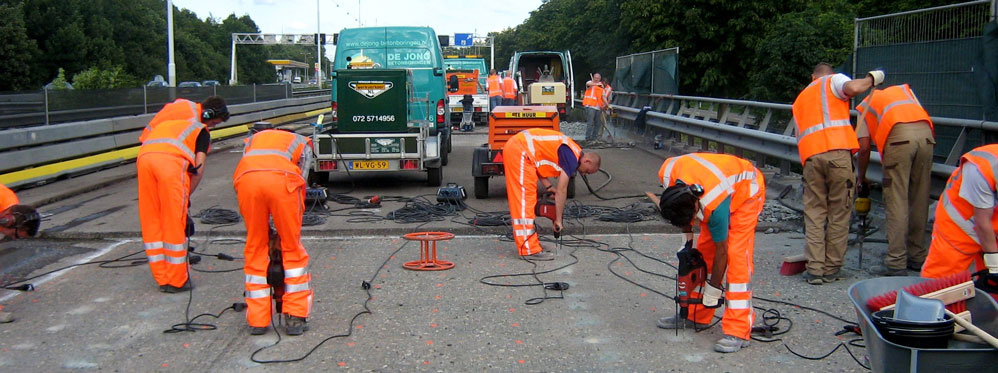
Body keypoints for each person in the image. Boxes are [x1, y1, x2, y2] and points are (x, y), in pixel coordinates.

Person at [655, 153, 765, 353]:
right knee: (702, 255)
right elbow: (682, 214)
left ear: (696, 205)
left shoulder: (715, 205)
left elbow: (722, 251)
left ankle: (739, 331)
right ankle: (695, 315)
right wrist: (687, 244)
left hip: (747, 192)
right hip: (717, 187)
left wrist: (713, 289)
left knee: (736, 256)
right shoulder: (668, 174)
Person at [791, 63, 883, 285]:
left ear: (812, 76)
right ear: (828, 74)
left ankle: (814, 270)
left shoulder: (800, 99)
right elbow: (854, 88)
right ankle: (831, 268)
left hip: (812, 158)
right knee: (838, 213)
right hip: (838, 156)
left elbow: (798, 134)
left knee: (814, 214)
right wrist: (872, 77)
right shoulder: (833, 81)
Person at [233, 124, 314, 336]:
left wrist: (268, 229)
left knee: (255, 246)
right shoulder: (300, 142)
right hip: (284, 182)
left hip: (247, 182)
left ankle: (258, 320)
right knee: (291, 248)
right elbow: (300, 181)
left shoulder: (253, 141)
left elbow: (250, 172)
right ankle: (295, 316)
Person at [137, 109, 226, 293]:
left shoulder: (168, 125)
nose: (212, 126)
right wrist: (185, 198)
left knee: (151, 218)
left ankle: (162, 278)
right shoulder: (200, 130)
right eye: (214, 123)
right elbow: (199, 167)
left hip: (144, 160)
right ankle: (177, 280)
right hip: (169, 164)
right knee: (174, 220)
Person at [855, 84, 935, 276]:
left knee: (897, 199)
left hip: (899, 140)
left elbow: (864, 147)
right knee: (920, 198)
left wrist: (861, 177)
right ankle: (917, 256)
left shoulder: (865, 105)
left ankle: (896, 262)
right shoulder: (906, 92)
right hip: (927, 138)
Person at [502, 128, 601, 260]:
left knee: (528, 200)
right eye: (587, 171)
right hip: (519, 150)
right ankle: (528, 250)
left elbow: (537, 162)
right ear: (587, 161)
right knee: (524, 203)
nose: (584, 174)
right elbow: (562, 190)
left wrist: (548, 187)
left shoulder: (572, 150)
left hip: (521, 151)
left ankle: (531, 243)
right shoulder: (572, 158)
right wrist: (558, 220)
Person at [921, 145, 998, 288]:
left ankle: (989, 306)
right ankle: (929, 307)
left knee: (992, 286)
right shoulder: (982, 168)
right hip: (960, 223)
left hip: (992, 222)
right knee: (940, 282)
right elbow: (982, 222)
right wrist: (995, 265)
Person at [0, 185, 41, 324]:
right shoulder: (7, 215)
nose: (14, 238)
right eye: (16, 235)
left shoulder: (10, 204)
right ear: (7, 221)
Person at [139, 96, 230, 143]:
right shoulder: (193, 123)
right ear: (208, 114)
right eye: (214, 122)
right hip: (160, 149)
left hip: (146, 145)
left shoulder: (185, 104)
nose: (212, 126)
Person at [582, 73, 607, 142]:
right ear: (593, 78)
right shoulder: (590, 83)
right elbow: (588, 84)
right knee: (590, 123)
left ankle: (594, 138)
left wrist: (607, 104)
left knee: (597, 123)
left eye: (598, 78)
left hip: (598, 107)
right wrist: (596, 84)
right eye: (595, 78)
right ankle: (588, 138)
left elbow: (603, 97)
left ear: (600, 79)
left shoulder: (601, 87)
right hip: (590, 106)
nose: (596, 79)